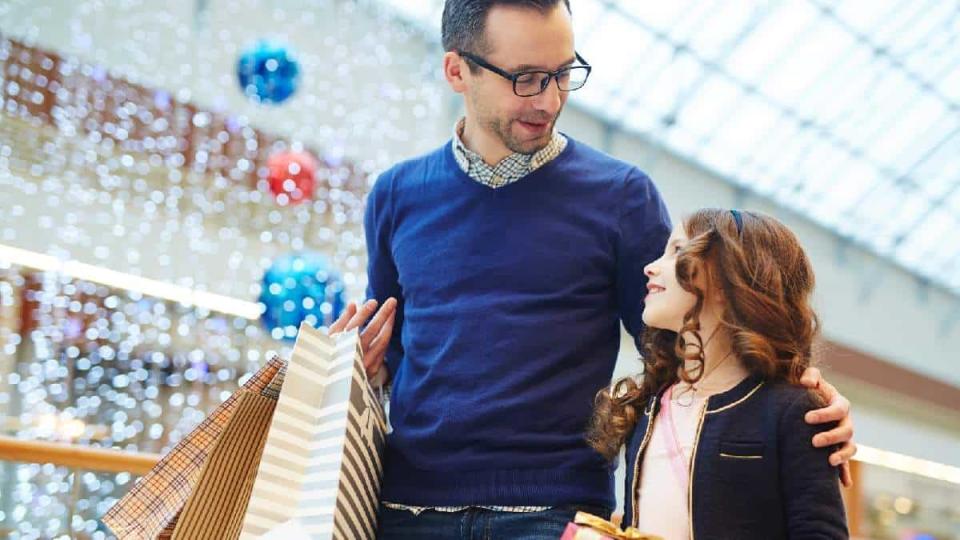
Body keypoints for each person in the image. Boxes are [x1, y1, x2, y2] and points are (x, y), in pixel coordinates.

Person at [328, 2, 856, 538]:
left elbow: (684, 342)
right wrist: (355, 371)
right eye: (526, 79)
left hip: (556, 515)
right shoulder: (396, 195)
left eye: (562, 73)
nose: (550, 99)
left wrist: (794, 396)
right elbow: (390, 352)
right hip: (407, 512)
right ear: (457, 71)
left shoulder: (621, 196)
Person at [587, 209, 848, 538]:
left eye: (678, 251)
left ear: (730, 280)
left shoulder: (792, 410)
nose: (650, 267)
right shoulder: (649, 407)